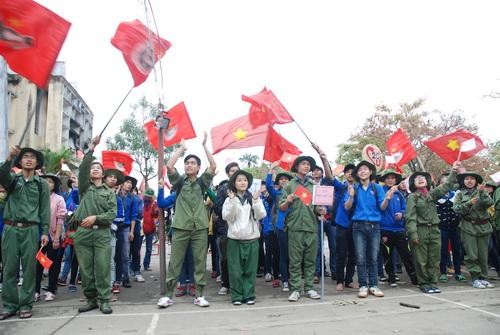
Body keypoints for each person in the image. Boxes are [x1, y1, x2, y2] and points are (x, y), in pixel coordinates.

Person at [157, 133, 216, 308]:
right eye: (187, 163)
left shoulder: (203, 182)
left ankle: (199, 295)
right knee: (175, 262)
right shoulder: (179, 181)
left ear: (198, 168)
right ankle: (168, 295)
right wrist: (181, 149)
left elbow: (213, 166)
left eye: (193, 163)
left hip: (199, 228)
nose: (189, 165)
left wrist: (205, 146)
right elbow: (169, 165)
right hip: (181, 227)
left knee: (199, 262)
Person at [0, 146, 50, 320]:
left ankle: (26, 304)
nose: (29, 159)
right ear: (20, 161)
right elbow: (1, 175)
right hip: (10, 229)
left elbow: (45, 210)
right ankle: (9, 305)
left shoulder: (42, 184)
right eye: (25, 157)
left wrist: (44, 231)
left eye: (32, 157)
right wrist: (9, 158)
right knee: (9, 270)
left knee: (29, 270)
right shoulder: (13, 179)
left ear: (37, 163)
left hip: (30, 230)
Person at [71, 136, 117, 314]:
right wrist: (91, 148)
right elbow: (82, 168)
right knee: (86, 270)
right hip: (83, 233)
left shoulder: (109, 192)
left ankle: (104, 300)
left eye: (98, 168)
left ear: (103, 174)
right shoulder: (84, 188)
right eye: (93, 168)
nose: (95, 170)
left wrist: (95, 218)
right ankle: (91, 299)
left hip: (102, 234)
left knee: (103, 268)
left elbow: (111, 214)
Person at [405, 161, 460, 294]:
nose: (420, 179)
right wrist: (413, 234)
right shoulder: (413, 197)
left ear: (427, 181)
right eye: (417, 178)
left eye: (423, 177)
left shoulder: (432, 194)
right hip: (421, 229)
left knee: (434, 258)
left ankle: (432, 282)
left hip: (435, 229)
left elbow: (446, 186)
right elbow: (410, 217)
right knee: (421, 259)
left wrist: (453, 171)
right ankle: (423, 283)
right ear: (413, 183)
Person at [345, 161, 390, 298]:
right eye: (360, 170)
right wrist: (351, 195)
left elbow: (382, 207)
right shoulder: (354, 187)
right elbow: (347, 207)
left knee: (373, 257)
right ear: (357, 173)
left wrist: (387, 199)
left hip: (374, 226)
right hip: (358, 226)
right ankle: (363, 285)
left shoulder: (377, 188)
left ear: (371, 172)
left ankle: (374, 285)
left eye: (366, 169)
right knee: (360, 257)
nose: (363, 171)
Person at [280, 155, 321, 302]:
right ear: (297, 166)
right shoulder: (290, 185)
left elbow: (318, 208)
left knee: (310, 261)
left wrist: (322, 211)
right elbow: (282, 207)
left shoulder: (314, 186)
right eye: (303, 164)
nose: (306, 166)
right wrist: (288, 200)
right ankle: (296, 289)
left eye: (308, 164)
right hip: (295, 228)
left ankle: (309, 287)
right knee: (295, 261)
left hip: (311, 227)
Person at [222, 170, 266, 305]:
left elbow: (261, 215)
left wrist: (256, 200)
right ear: (234, 183)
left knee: (250, 270)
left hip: (252, 238)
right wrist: (232, 201)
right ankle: (237, 296)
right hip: (235, 240)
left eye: (245, 180)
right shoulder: (229, 199)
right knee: (236, 270)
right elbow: (227, 216)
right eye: (239, 180)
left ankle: (249, 295)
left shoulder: (253, 198)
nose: (242, 182)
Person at [453, 171, 495, 289]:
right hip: (468, 226)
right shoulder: (460, 194)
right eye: (467, 179)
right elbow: (456, 209)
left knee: (483, 254)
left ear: (476, 181)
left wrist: (482, 192)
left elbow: (489, 203)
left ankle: (483, 277)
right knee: (472, 254)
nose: (469, 181)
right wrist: (468, 203)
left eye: (472, 179)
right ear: (463, 181)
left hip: (484, 227)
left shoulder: (482, 192)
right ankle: (475, 278)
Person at [378, 169, 417, 287]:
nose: (390, 180)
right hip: (385, 229)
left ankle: (414, 278)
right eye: (388, 178)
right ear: (384, 180)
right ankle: (391, 278)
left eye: (392, 178)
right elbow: (381, 207)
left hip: (399, 230)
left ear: (396, 180)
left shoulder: (400, 193)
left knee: (406, 254)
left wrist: (401, 213)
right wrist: (388, 196)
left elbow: (405, 208)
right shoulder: (380, 191)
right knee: (387, 256)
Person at [35, 174, 67, 302]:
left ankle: (51, 289)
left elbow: (60, 219)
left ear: (54, 185)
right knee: (38, 264)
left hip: (53, 235)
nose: (47, 184)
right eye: (44, 181)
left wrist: (56, 238)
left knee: (53, 264)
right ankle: (36, 290)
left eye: (50, 182)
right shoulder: (36, 197)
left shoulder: (59, 199)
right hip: (37, 236)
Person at [213, 162, 240, 295]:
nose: (234, 173)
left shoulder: (244, 187)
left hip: (242, 229)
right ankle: (225, 283)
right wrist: (229, 202)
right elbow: (217, 208)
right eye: (231, 171)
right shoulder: (223, 188)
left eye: (237, 170)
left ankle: (238, 284)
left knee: (240, 258)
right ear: (228, 173)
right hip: (225, 228)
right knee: (225, 258)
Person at [265, 161, 292, 290]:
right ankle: (285, 280)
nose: (283, 181)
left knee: (294, 255)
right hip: (281, 227)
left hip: (295, 226)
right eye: (281, 179)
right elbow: (269, 186)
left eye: (286, 179)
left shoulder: (296, 192)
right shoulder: (277, 193)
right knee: (283, 254)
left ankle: (292, 278)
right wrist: (271, 169)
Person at [436, 173, 465, 283]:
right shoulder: (436, 196)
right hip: (441, 227)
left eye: (447, 183)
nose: (445, 185)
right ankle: (443, 272)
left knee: (457, 250)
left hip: (455, 227)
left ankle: (458, 272)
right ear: (439, 184)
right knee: (443, 250)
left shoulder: (456, 195)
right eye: (442, 183)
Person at [102, 168, 125, 295]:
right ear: (104, 178)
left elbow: (121, 216)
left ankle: (111, 284)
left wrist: (109, 222)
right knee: (97, 262)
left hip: (111, 232)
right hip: (95, 231)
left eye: (115, 178)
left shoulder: (118, 199)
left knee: (111, 260)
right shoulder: (96, 194)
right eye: (110, 176)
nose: (112, 179)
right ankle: (98, 286)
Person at [142, 188, 159, 272]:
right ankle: (135, 267)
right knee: (136, 249)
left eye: (150, 197)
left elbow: (155, 216)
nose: (148, 198)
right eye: (147, 196)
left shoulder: (154, 204)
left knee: (149, 249)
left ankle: (146, 264)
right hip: (141, 228)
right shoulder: (140, 203)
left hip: (150, 228)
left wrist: (156, 212)